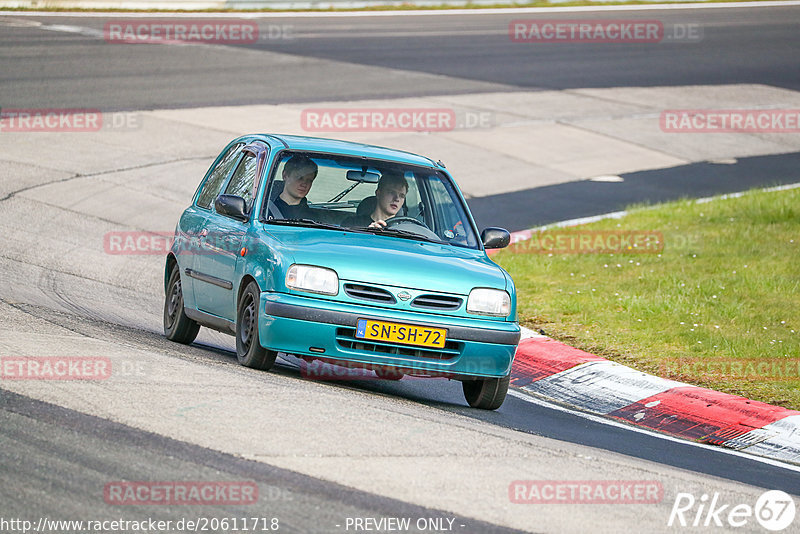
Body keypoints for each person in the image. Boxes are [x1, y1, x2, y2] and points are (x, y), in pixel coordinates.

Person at [343, 172, 408, 229]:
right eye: (392, 192)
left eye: (402, 196)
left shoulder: (404, 230)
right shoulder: (353, 223)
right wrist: (367, 234)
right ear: (378, 193)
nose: (397, 199)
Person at [267, 154, 318, 220]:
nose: (304, 184)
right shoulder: (264, 209)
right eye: (299, 178)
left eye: (309, 180)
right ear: (285, 175)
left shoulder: (313, 219)